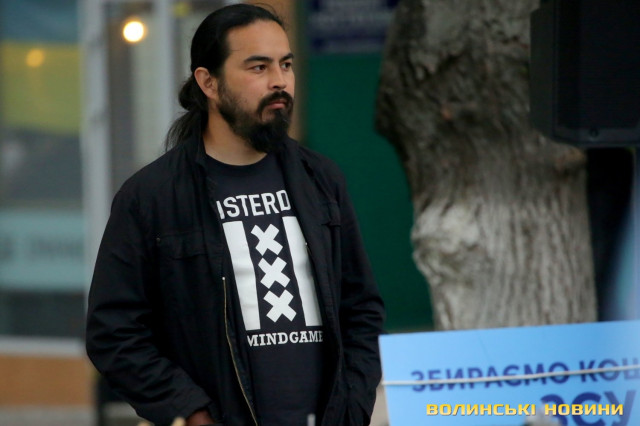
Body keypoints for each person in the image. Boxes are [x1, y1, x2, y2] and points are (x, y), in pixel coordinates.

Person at [85, 4, 385, 426]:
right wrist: (190, 412)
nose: (279, 81)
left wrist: (352, 406)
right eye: (259, 67)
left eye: (285, 65)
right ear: (208, 82)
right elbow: (114, 333)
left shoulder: (321, 180)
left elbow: (362, 309)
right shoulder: (152, 197)